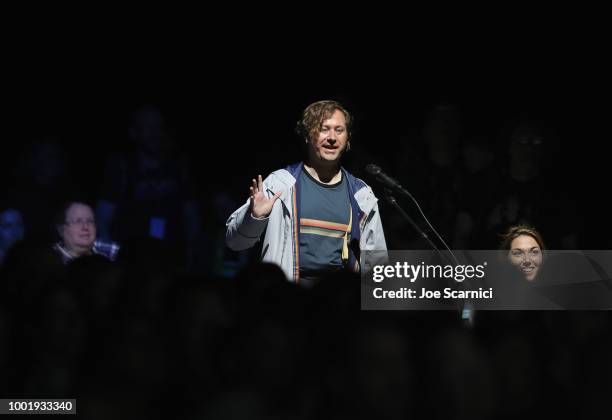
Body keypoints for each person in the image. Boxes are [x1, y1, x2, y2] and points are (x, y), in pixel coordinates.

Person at [226, 100, 387, 284]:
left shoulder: (362, 196)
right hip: (288, 302)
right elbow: (234, 242)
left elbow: (378, 267)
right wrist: (255, 217)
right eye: (324, 129)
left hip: (340, 305)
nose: (332, 137)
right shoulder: (280, 185)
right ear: (307, 136)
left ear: (347, 139)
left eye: (339, 130)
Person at [53, 201, 120, 264]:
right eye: (78, 221)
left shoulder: (109, 251)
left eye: (90, 221)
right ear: (61, 229)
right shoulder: (50, 260)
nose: (85, 226)